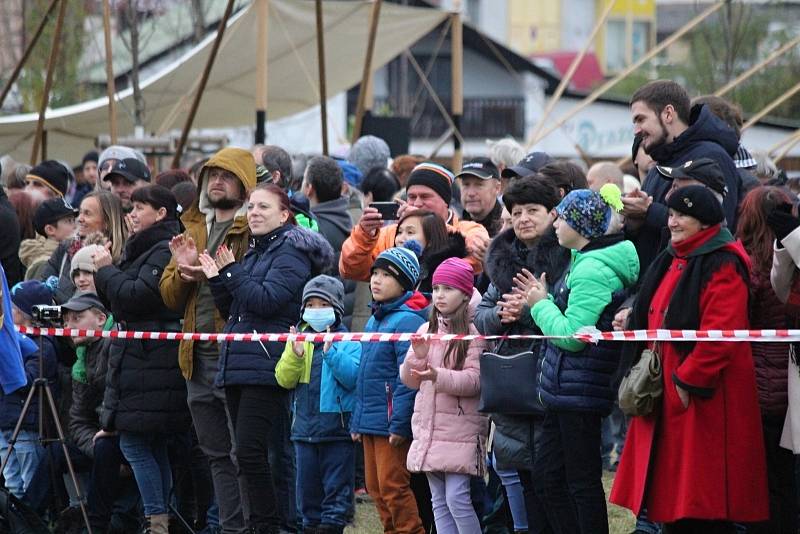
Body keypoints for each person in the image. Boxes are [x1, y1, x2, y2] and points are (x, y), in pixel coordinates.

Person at [610, 185, 769, 532]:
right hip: (670, 394)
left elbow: (720, 337)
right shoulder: (676, 254)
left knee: (700, 507)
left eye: (682, 215)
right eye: (671, 214)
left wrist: (685, 384)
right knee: (673, 507)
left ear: (704, 221)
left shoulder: (722, 260)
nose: (673, 222)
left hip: (702, 402)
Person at [197, 182, 334, 532]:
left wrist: (231, 272)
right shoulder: (257, 251)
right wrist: (217, 279)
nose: (254, 213)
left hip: (267, 364)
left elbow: (266, 300)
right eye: (251, 207)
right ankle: (264, 523)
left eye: (263, 207)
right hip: (242, 362)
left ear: (285, 215)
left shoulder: (290, 251)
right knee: (248, 455)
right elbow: (235, 309)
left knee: (254, 452)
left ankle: (269, 525)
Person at [516, 184, 639, 534]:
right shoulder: (582, 259)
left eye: (562, 217)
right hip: (566, 389)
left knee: (579, 482)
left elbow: (572, 337)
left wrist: (540, 303)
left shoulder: (591, 270)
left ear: (582, 227)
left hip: (580, 390)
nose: (554, 223)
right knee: (549, 478)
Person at [160, 147, 256, 534]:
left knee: (243, 454)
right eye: (211, 174)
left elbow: (246, 294)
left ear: (245, 185)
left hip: (234, 355)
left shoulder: (250, 229)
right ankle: (229, 528)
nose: (217, 181)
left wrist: (217, 275)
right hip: (195, 357)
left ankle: (250, 526)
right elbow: (167, 296)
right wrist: (183, 273)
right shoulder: (192, 229)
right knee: (215, 453)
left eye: (227, 175)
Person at [473, 176, 570, 534]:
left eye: (533, 210)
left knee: (553, 479)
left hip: (551, 375)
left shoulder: (568, 255)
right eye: (516, 212)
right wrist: (502, 314)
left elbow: (571, 313)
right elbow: (480, 316)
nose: (524, 218)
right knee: (520, 478)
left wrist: (530, 309)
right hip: (511, 383)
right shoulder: (501, 262)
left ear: (552, 213)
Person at [92, 185, 188, 534]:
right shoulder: (144, 249)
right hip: (140, 360)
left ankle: (156, 520)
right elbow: (119, 302)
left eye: (140, 208)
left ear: (161, 214)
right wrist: (109, 276)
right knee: (150, 443)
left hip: (152, 361)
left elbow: (136, 297)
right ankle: (160, 519)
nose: (131, 214)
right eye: (130, 208)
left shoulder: (164, 249)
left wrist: (104, 271)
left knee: (133, 441)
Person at [400, 258, 487, 534]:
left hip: (460, 431)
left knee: (457, 498)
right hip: (429, 429)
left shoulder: (473, 334)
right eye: (436, 288)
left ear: (464, 293)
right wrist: (419, 359)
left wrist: (438, 376)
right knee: (438, 500)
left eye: (447, 289)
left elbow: (474, 382)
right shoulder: (426, 331)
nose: (439, 295)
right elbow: (409, 380)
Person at [622, 80, 741, 273]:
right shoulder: (660, 164)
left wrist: (649, 211)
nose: (636, 130)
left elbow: (718, 227)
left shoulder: (711, 157)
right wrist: (635, 223)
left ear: (668, 113)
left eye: (640, 119)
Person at [350, 246, 428, 534]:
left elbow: (408, 380)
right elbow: (364, 378)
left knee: (394, 488)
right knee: (376, 490)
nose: (376, 280)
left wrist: (399, 425)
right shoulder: (374, 320)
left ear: (405, 283)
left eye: (386, 275)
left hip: (390, 425)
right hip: (370, 422)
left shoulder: (408, 321)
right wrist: (357, 421)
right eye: (375, 274)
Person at [275, 275, 362, 534]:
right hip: (303, 431)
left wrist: (330, 352)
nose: (315, 311)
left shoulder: (349, 341)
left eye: (321, 304)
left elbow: (352, 377)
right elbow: (283, 379)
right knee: (307, 496)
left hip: (337, 432)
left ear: (335, 309)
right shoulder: (299, 340)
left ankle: (332, 526)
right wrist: (294, 354)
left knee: (336, 494)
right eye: (309, 305)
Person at [736, 186, 798, 533]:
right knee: (784, 480)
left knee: (762, 482)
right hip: (787, 382)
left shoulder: (748, 265)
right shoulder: (790, 258)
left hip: (759, 385)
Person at [340, 163, 489, 282]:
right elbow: (351, 270)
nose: (417, 204)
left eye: (425, 196)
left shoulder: (469, 229)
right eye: (411, 197)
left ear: (446, 201)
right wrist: (364, 235)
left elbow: (477, 259)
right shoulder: (391, 234)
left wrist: (430, 226)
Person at [1, 280, 59, 498]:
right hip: (5, 421)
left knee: (30, 484)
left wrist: (5, 363)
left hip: (27, 424)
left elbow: (28, 381)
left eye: (12, 309)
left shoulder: (41, 345)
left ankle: (32, 523)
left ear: (27, 314)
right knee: (12, 485)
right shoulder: (11, 341)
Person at [40, 191, 126, 304]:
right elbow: (43, 287)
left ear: (107, 221)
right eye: (80, 212)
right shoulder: (66, 248)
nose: (79, 218)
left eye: (87, 214)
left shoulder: (123, 256)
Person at [19, 198, 78, 282]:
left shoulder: (63, 255)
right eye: (69, 221)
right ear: (50, 230)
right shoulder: (44, 264)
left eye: (74, 220)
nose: (75, 226)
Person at [457, 158, 504, 238]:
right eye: (466, 184)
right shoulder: (454, 229)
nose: (471, 193)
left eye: (479, 185)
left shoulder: (509, 229)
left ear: (497, 188)